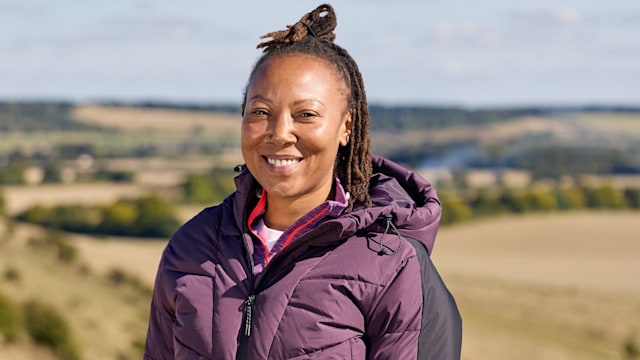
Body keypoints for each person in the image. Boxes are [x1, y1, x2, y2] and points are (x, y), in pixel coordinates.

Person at [144, 4, 462, 359]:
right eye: (260, 112)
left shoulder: (393, 263)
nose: (279, 133)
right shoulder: (192, 246)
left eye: (306, 115)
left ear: (346, 127)